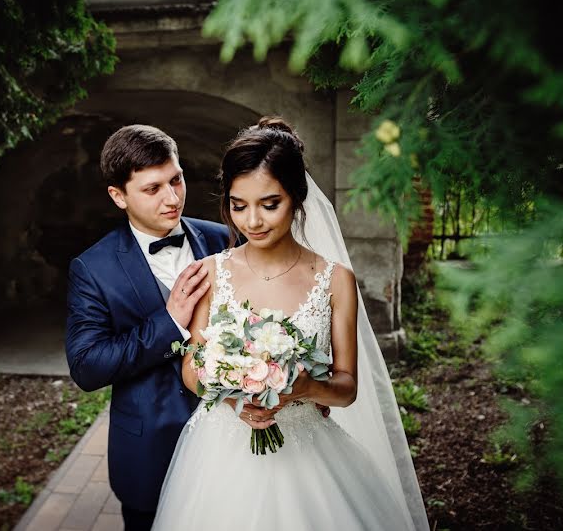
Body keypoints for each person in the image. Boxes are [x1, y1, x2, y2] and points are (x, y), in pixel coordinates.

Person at [151, 117, 430, 530]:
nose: (252, 222)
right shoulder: (209, 273)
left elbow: (347, 387)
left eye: (270, 204)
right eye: (238, 205)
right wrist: (235, 399)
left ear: (297, 197)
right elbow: (192, 369)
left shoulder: (335, 280)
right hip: (221, 452)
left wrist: (306, 388)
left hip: (308, 448)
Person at [65, 124, 232, 531]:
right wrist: (170, 321)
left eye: (176, 179)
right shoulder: (92, 268)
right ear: (118, 196)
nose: (172, 198)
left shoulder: (223, 239)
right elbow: (87, 366)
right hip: (149, 451)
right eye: (152, 189)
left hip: (231, 437)